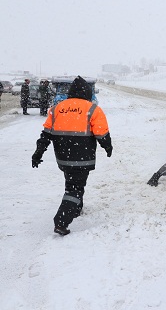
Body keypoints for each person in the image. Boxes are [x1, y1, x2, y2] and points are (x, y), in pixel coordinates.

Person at [31, 76, 113, 235]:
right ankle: (61, 222)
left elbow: (45, 135)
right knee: (75, 189)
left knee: (72, 182)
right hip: (82, 157)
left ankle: (76, 208)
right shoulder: (92, 109)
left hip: (63, 157)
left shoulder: (57, 108)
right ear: (87, 92)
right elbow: (102, 133)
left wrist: (38, 152)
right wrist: (108, 147)